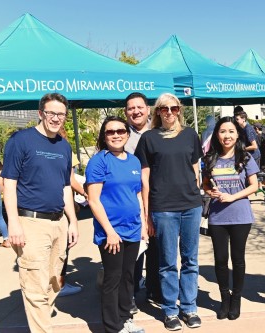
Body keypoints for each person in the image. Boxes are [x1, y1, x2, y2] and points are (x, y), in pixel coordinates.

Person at [2, 93, 79, 333]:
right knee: (35, 286)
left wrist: (73, 221)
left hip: (58, 223)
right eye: (51, 113)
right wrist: (13, 224)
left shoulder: (64, 146)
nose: (56, 118)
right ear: (40, 113)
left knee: (54, 282)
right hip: (31, 222)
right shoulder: (21, 140)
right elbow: (8, 183)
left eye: (61, 114)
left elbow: (66, 186)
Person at [135, 93, 203, 331]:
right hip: (163, 208)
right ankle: (170, 311)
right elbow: (145, 178)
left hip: (191, 206)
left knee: (191, 260)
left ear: (180, 110)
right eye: (164, 109)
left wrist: (198, 194)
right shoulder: (149, 138)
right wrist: (147, 214)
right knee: (166, 263)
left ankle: (189, 307)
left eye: (174, 108)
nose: (170, 113)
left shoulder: (190, 135)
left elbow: (195, 169)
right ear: (158, 112)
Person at [85, 116, 145, 333]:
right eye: (111, 132)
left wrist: (144, 225)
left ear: (127, 134)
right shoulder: (99, 161)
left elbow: (137, 193)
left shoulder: (134, 161)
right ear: (104, 136)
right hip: (111, 232)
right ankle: (113, 327)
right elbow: (93, 199)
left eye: (121, 131)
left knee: (129, 277)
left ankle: (124, 317)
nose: (116, 135)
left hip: (133, 229)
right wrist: (109, 231)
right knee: (113, 278)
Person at [202, 117, 259, 320]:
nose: (227, 135)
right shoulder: (210, 158)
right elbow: (205, 184)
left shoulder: (245, 158)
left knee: (238, 259)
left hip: (241, 216)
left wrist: (232, 196)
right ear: (217, 134)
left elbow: (255, 186)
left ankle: (236, 299)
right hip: (218, 217)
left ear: (237, 135)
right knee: (220, 260)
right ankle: (224, 298)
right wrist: (210, 192)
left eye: (231, 131)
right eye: (223, 131)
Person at [122, 92, 160, 313]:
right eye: (130, 108)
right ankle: (131, 294)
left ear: (148, 110)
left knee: (157, 249)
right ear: (126, 112)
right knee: (133, 252)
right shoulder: (120, 134)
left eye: (139, 107)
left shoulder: (158, 133)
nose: (135, 111)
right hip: (131, 203)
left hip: (157, 200)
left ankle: (155, 289)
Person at [57, 127, 86, 297]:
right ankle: (60, 283)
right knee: (63, 247)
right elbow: (70, 180)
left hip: (47, 205)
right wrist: (86, 193)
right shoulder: (65, 148)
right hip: (63, 206)